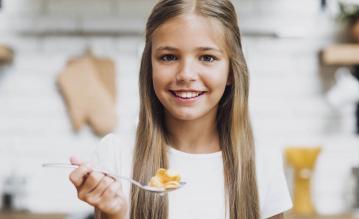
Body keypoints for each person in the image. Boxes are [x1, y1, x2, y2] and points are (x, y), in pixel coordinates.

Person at [69, 0, 292, 218]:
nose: (186, 74)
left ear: (232, 72)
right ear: (149, 68)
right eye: (169, 57)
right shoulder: (116, 155)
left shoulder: (262, 162)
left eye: (207, 57)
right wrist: (114, 214)